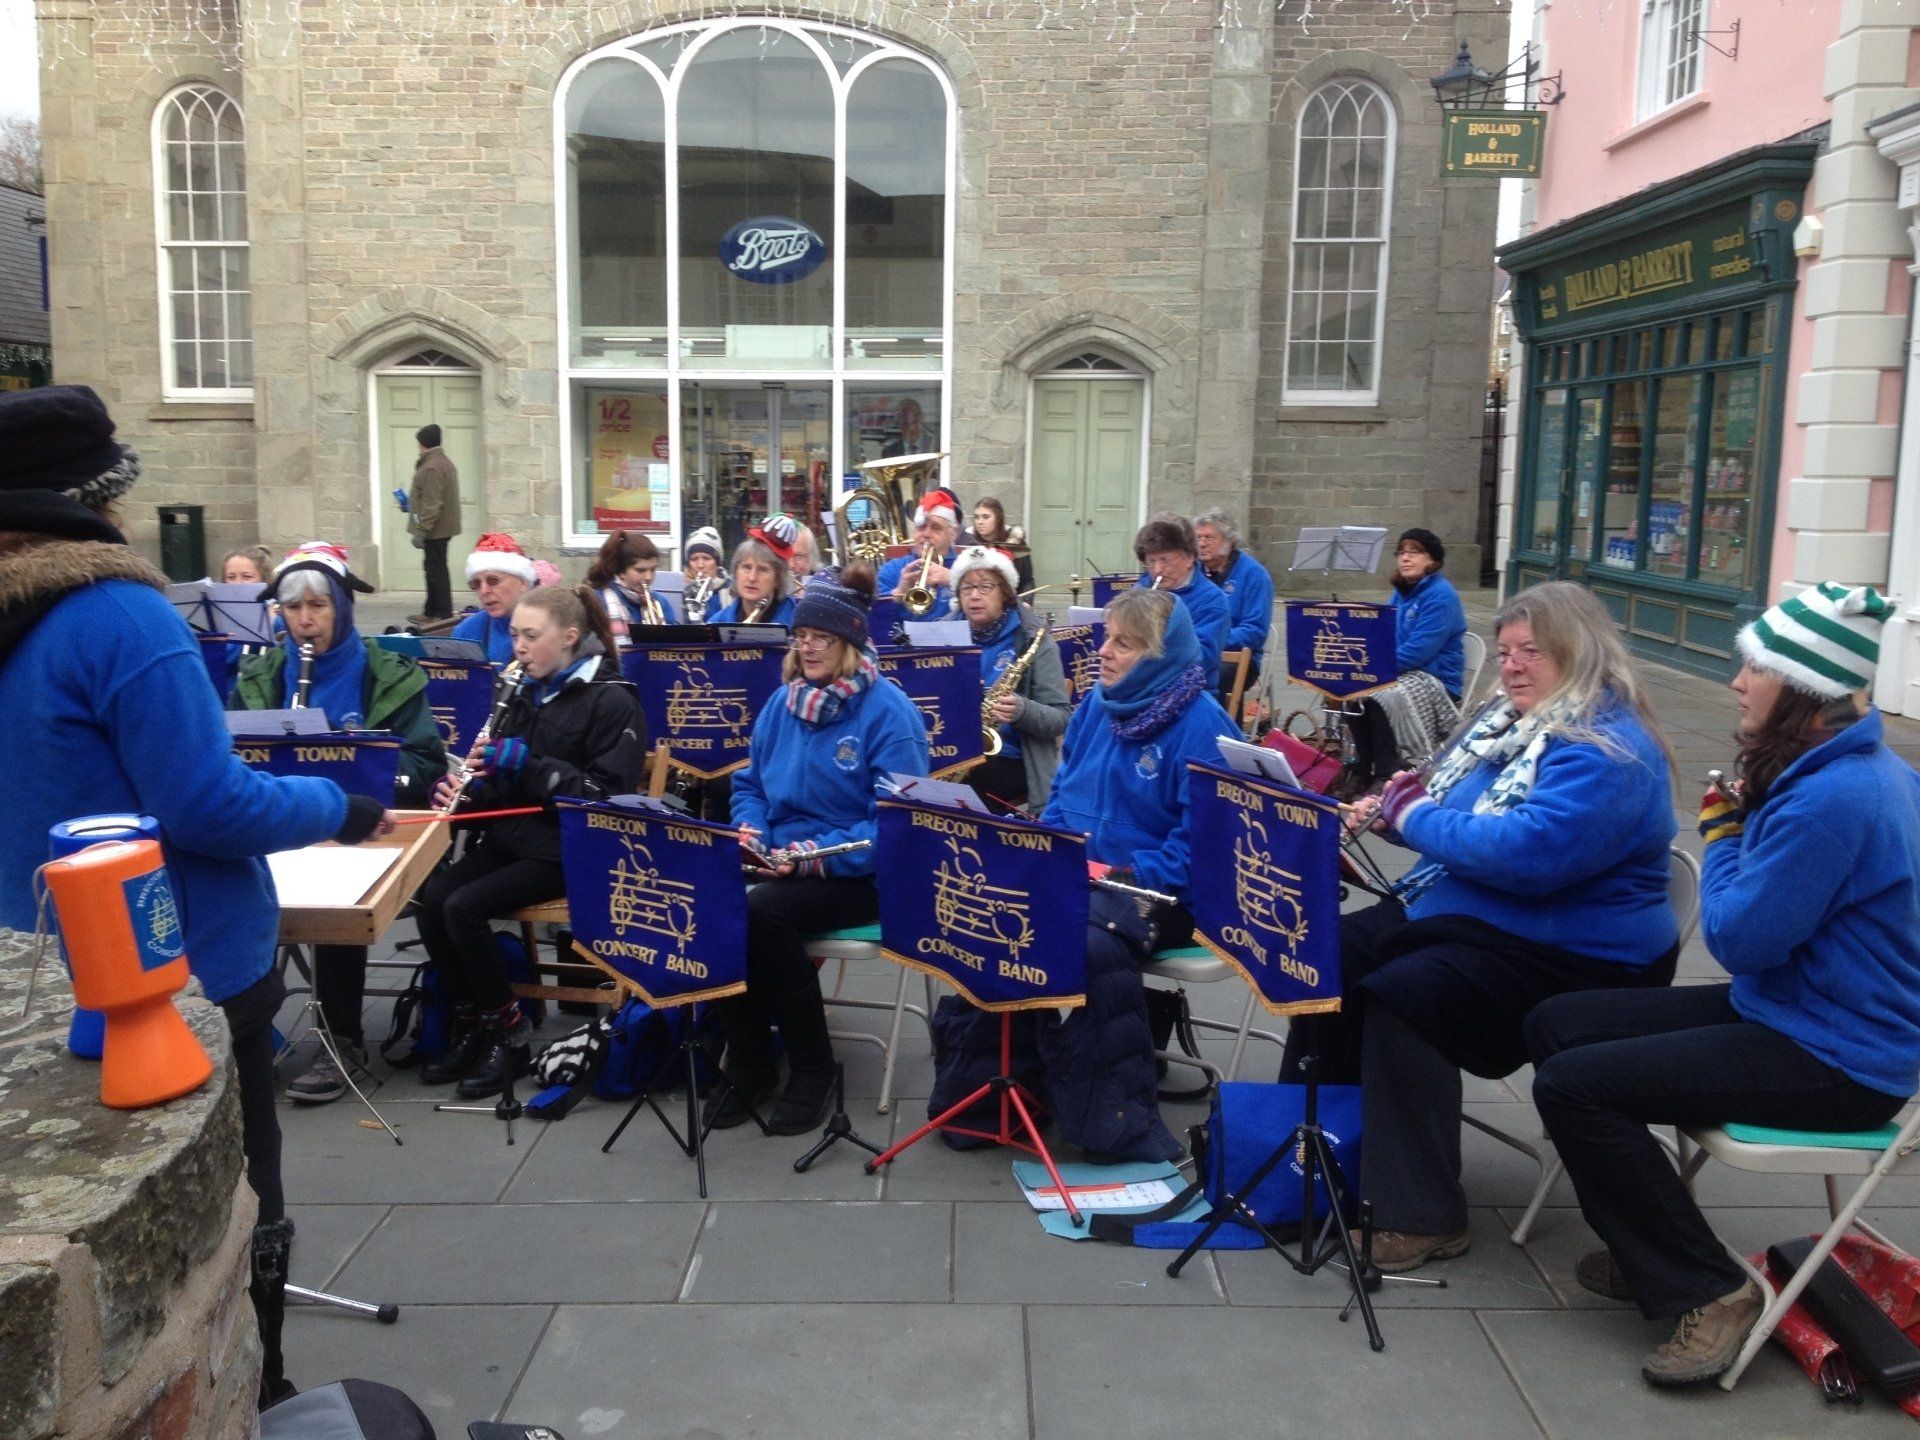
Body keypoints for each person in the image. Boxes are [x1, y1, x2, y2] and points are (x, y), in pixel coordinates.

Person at [0, 385, 393, 1402]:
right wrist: (335, 804)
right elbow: (206, 805)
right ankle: (256, 1394)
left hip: (37, 971)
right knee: (237, 1202)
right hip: (179, 968)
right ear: (103, 499)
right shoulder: (118, 616)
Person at [1527, 582, 1920, 1389]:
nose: (1737, 682)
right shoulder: (1851, 768)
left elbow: (1739, 940)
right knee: (1558, 1023)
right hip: (1798, 1011)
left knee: (1574, 1086)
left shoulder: (1837, 797)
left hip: (1841, 1059)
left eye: (1757, 669)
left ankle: (1710, 1288)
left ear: (1806, 690)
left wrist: (1725, 835)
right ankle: (1654, 1237)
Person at [1290, 580, 1678, 1274]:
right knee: (1331, 955)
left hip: (1578, 951)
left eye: (1534, 652)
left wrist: (1413, 817)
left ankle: (1421, 1213)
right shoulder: (1506, 725)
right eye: (1505, 652)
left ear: (1581, 653)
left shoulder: (1606, 749)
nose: (1513, 666)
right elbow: (1453, 814)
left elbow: (1525, 856)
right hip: (1486, 914)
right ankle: (1316, 1155)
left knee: (1408, 995)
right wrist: (1394, 812)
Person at [968, 589, 1236, 1160]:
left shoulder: (1204, 726)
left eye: (1124, 644)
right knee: (995, 911)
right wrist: (1050, 851)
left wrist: (1124, 875)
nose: (1104, 652)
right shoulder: (1096, 705)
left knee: (1086, 944)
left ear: (1161, 656)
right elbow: (1063, 795)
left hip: (1162, 893)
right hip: (1085, 874)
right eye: (1107, 638)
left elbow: (1200, 846)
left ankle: (1113, 1118)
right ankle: (1000, 1093)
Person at [705, 562, 929, 1134]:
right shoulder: (783, 704)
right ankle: (751, 1060)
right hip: (782, 858)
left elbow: (898, 825)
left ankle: (813, 1066)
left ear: (849, 643)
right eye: (800, 636)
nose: (806, 648)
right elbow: (751, 786)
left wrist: (812, 854)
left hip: (862, 873)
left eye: (820, 638)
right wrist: (752, 832)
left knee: (762, 915)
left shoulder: (890, 714)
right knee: (712, 901)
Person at [231, 541, 447, 1102]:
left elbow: (426, 763)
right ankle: (249, 1032)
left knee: (340, 891)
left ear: (343, 609)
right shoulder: (260, 674)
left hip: (364, 827)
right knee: (229, 882)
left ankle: (341, 1038)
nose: (304, 620)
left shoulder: (386, 674)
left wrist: (357, 760)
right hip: (279, 822)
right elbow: (231, 758)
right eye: (292, 607)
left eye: (318, 606)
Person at [418, 585, 646, 1098]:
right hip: (514, 840)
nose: (518, 646)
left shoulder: (612, 699)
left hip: (571, 849)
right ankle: (472, 1020)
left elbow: (606, 799)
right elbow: (502, 785)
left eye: (530, 635)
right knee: (433, 900)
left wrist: (533, 767)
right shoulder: (521, 688)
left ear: (569, 637)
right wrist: (465, 794)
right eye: (515, 634)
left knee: (463, 907)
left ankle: (509, 1032)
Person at [1337, 528, 1469, 797]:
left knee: (1381, 696)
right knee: (1352, 689)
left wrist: (1373, 668)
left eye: (1414, 552)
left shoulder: (1441, 596)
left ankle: (1385, 773)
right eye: (1401, 552)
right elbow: (1385, 638)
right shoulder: (1401, 593)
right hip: (1405, 672)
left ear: (1432, 560)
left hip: (1435, 679)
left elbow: (1418, 652)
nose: (1405, 558)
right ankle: (1362, 767)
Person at [951, 544, 1068, 812]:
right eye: (966, 588)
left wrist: (1022, 710)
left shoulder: (1034, 640)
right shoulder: (943, 635)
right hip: (953, 753)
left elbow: (1060, 718)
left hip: (1010, 760)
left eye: (985, 586)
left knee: (959, 804)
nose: (974, 595)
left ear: (1005, 593)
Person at [1131, 512, 1229, 677]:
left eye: (1165, 560)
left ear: (1189, 558)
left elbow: (1202, 658)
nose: (1157, 570)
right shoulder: (1140, 590)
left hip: (1190, 687)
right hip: (1141, 682)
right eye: (1151, 562)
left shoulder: (1211, 599)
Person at [1193, 507, 1273, 701]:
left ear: (1228, 541)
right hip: (1197, 651)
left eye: (1208, 538)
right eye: (1198, 538)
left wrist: (1213, 639)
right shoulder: (1193, 571)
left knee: (1208, 676)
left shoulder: (1254, 574)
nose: (1201, 544)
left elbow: (1255, 632)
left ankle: (1221, 721)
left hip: (1238, 658)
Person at [877, 487, 962, 621]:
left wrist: (957, 581)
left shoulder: (967, 570)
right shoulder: (891, 569)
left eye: (936, 528)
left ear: (953, 534)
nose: (926, 534)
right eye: (921, 527)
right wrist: (898, 593)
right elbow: (875, 619)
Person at [407, 423, 462, 625]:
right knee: (433, 568)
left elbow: (432, 503)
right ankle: (431, 611)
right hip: (439, 527)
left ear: (423, 443)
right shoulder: (441, 462)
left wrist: (422, 530)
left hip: (436, 530)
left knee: (436, 571)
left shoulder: (432, 467)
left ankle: (442, 614)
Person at [451, 532, 535, 662]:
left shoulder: (549, 627)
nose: (484, 591)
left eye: (493, 580)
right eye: (476, 584)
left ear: (522, 582)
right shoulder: (466, 631)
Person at [587, 529, 679, 642]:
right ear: (621, 571)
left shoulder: (660, 602)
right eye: (640, 570)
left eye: (653, 569)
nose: (648, 577)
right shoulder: (598, 600)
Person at [708, 514, 800, 627]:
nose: (752, 578)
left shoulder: (797, 625)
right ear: (736, 572)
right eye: (746, 567)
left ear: (778, 579)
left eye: (763, 570)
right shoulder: (717, 623)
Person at [963, 497, 1035, 594]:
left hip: (1011, 598)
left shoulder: (1015, 541)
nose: (979, 522)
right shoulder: (968, 541)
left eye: (986, 517)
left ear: (998, 519)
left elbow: (1027, 580)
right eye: (976, 517)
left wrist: (1026, 600)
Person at [682, 524, 730, 622]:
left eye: (706, 558)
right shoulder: (685, 592)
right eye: (694, 559)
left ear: (717, 562)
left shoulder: (733, 590)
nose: (700, 565)